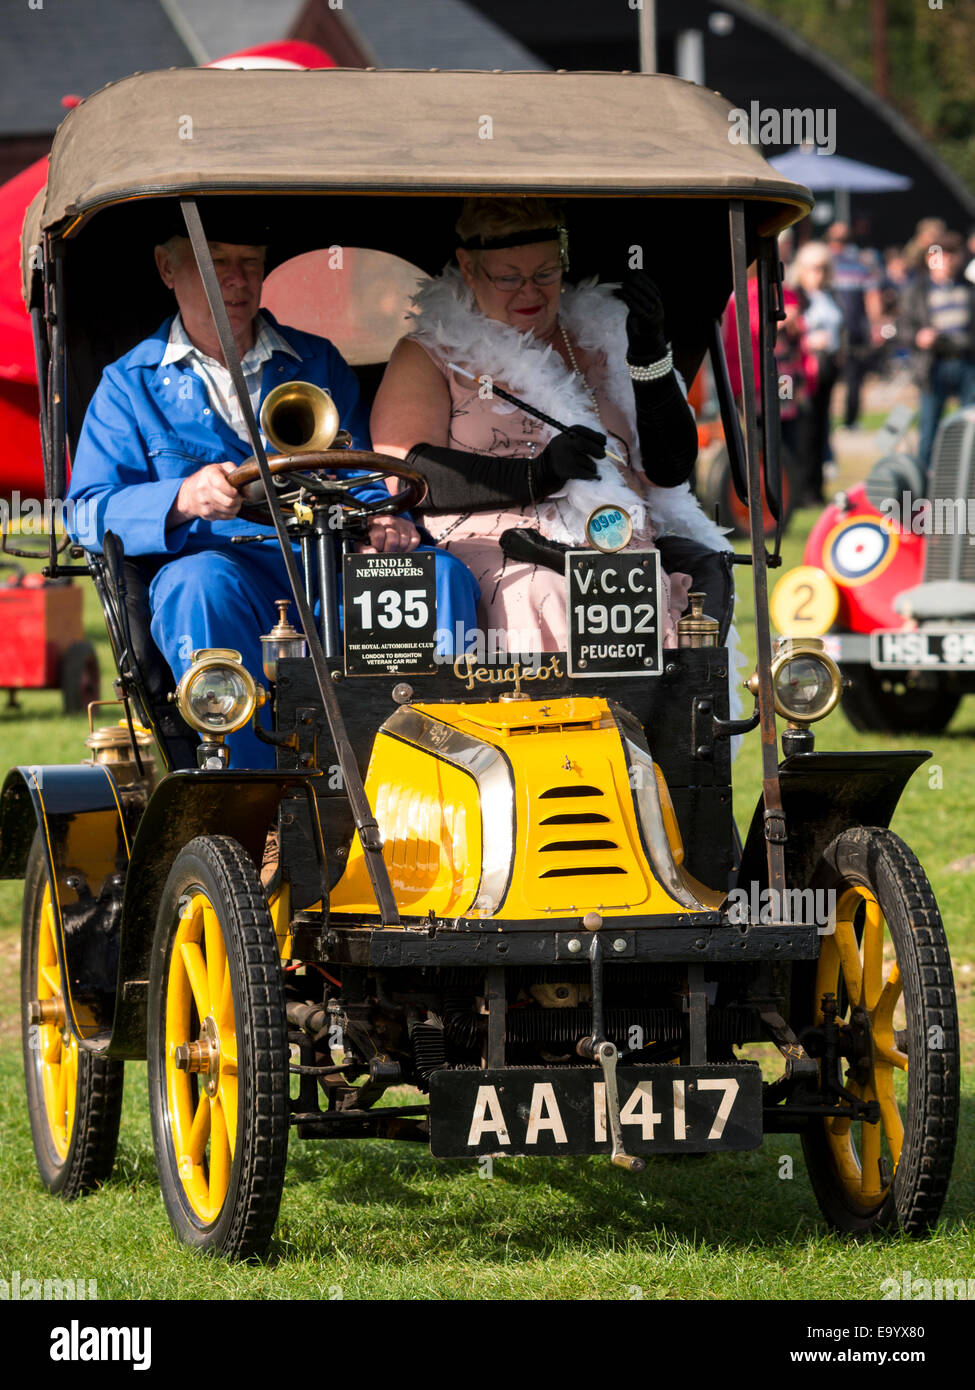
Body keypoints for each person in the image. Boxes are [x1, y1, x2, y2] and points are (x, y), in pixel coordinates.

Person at [67, 209, 479, 768]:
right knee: (200, 585)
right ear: (167, 268)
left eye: (250, 263)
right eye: (216, 264)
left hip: (327, 565)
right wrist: (182, 498)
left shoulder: (317, 361)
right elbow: (86, 514)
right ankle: (251, 804)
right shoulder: (127, 384)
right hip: (222, 569)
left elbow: (360, 474)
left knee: (441, 577)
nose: (236, 281)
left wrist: (381, 520)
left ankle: (435, 779)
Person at [370, 198, 733, 657]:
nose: (530, 293)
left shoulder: (600, 338)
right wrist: (535, 477)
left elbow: (669, 469)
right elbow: (406, 471)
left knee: (679, 591)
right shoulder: (431, 353)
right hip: (498, 544)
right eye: (509, 278)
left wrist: (649, 362)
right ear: (467, 267)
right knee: (554, 594)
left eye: (545, 274)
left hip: (620, 548)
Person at [899, 230, 975, 482]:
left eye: (954, 255)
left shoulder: (968, 288)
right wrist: (919, 337)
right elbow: (903, 327)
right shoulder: (917, 289)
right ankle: (924, 482)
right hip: (933, 365)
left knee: (970, 425)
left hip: (966, 363)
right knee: (929, 428)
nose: (948, 261)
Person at [790, 243, 843, 505]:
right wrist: (809, 341)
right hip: (803, 371)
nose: (818, 274)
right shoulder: (795, 296)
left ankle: (817, 489)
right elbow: (789, 331)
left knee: (823, 429)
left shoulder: (829, 295)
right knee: (805, 430)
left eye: (823, 269)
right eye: (813, 269)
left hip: (827, 369)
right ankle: (802, 490)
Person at [825, 221, 883, 430]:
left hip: (854, 331)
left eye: (843, 240)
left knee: (854, 380)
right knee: (825, 378)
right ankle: (825, 421)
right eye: (835, 240)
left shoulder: (861, 265)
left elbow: (872, 296)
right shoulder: (823, 264)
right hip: (829, 333)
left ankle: (851, 420)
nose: (838, 244)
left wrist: (876, 325)